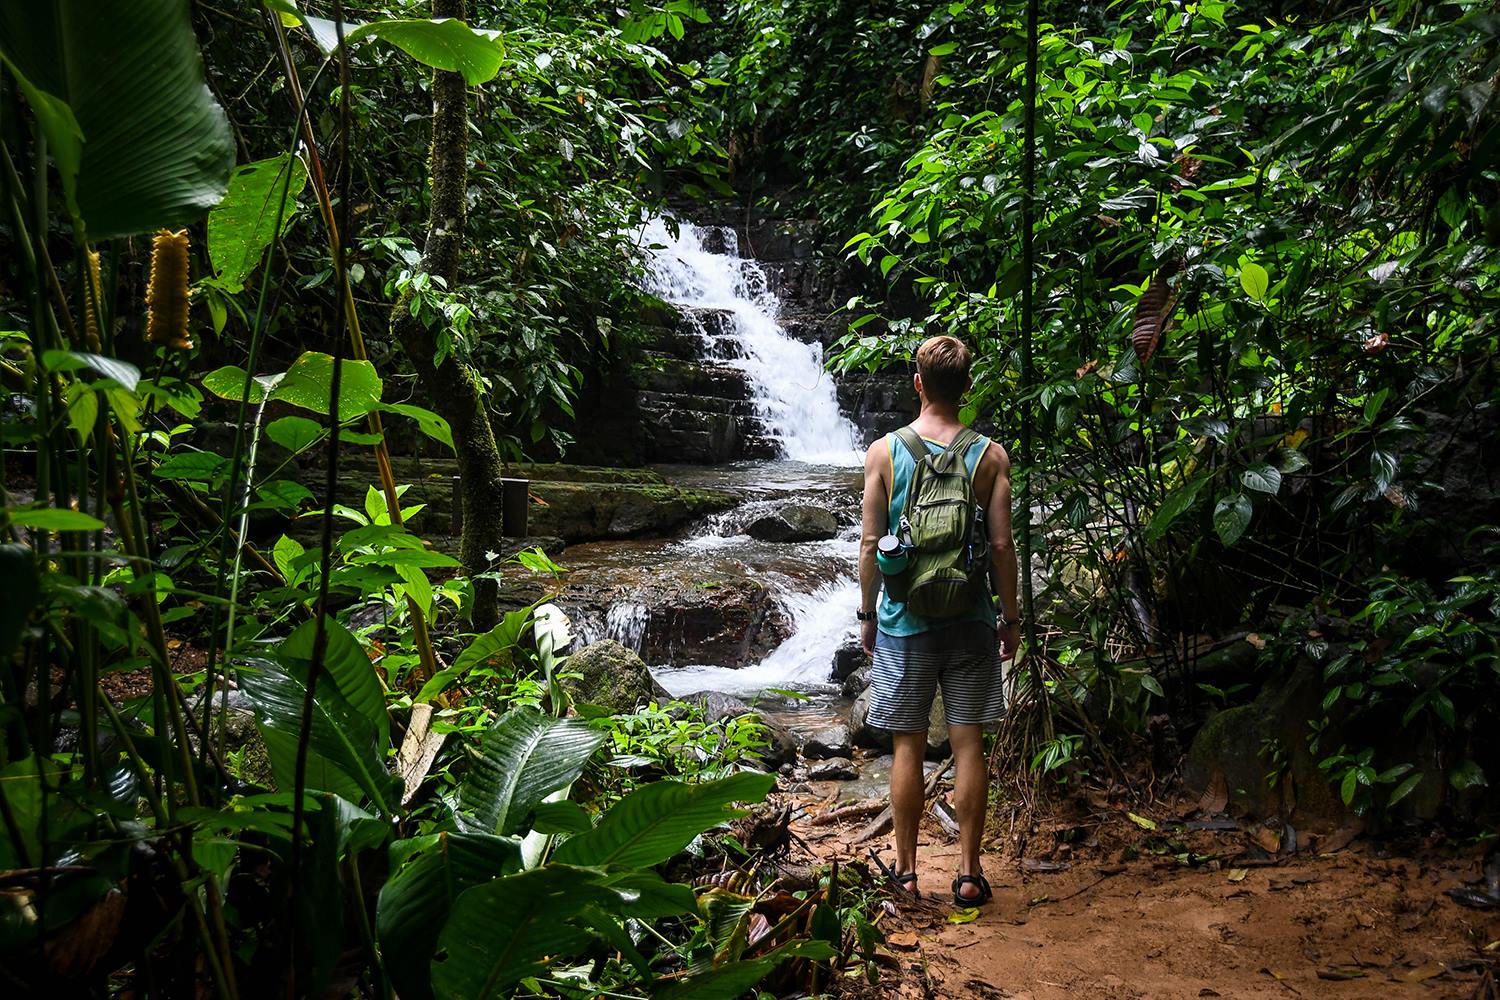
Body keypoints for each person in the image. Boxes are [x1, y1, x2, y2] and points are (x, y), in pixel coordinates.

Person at [858, 334, 1020, 905]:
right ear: (967, 388)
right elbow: (1002, 548)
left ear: (918, 384)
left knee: (906, 744)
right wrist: (1010, 618)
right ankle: (970, 874)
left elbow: (871, 541)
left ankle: (905, 873)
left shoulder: (884, 452)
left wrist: (869, 615)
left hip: (906, 619)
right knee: (968, 743)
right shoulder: (990, 456)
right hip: (971, 618)